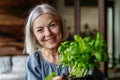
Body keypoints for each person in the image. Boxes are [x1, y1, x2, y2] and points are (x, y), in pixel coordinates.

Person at [24, 3, 69, 80]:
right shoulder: (35, 61)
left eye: (52, 25)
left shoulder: (77, 54)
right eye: (40, 30)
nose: (48, 33)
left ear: (61, 25)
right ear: (34, 35)